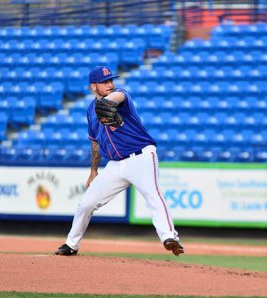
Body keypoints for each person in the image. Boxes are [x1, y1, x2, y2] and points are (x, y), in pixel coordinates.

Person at [55, 66, 184, 256]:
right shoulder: (90, 111)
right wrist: (93, 171)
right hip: (115, 165)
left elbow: (118, 98)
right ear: (93, 86)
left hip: (141, 157)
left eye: (111, 80)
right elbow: (95, 144)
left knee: (154, 195)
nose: (110, 84)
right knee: (86, 204)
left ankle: (169, 237)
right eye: (104, 82)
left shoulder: (119, 95)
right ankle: (71, 244)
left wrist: (106, 102)